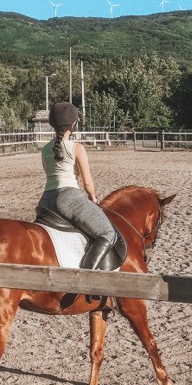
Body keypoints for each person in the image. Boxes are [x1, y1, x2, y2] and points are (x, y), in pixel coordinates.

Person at [37, 100, 117, 270]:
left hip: (45, 200)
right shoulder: (77, 148)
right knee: (108, 233)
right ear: (73, 124)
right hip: (68, 198)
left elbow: (49, 174)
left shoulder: (44, 150)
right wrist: (93, 198)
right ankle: (87, 277)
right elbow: (87, 182)